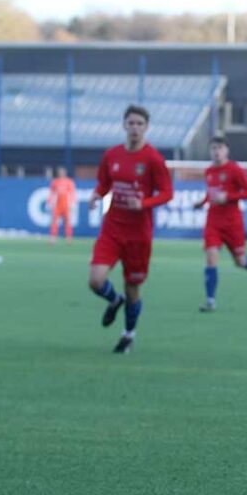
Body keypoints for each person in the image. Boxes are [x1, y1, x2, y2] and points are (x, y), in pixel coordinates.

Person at [88, 105, 174, 354]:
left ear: (146, 127)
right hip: (112, 229)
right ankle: (114, 300)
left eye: (140, 124)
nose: (135, 128)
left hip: (138, 234)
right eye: (131, 123)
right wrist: (96, 195)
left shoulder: (153, 159)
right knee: (95, 280)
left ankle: (128, 335)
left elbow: (167, 193)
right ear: (124, 125)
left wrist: (144, 203)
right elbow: (104, 183)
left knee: (132, 287)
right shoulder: (112, 155)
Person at [193, 136, 247, 312]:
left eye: (220, 148)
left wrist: (228, 197)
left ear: (227, 150)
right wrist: (202, 203)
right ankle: (210, 300)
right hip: (213, 223)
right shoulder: (209, 171)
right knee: (211, 258)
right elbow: (211, 194)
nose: (216, 151)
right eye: (213, 148)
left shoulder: (234, 169)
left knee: (240, 261)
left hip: (232, 224)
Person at [47, 166, 77, 244]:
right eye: (60, 172)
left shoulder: (69, 182)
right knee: (54, 222)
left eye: (62, 172)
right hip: (57, 205)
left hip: (66, 205)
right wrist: (49, 202)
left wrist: (73, 204)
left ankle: (68, 237)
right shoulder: (55, 182)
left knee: (67, 222)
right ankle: (53, 238)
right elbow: (51, 193)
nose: (61, 174)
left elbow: (72, 193)